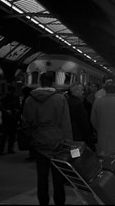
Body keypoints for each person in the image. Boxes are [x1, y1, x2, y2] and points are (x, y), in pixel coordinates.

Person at [22, 71, 73, 205]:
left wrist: (33, 136)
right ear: (52, 83)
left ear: (40, 82)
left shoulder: (30, 99)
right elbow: (66, 123)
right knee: (58, 178)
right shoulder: (60, 99)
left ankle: (43, 202)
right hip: (58, 142)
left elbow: (25, 122)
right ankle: (59, 202)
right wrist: (69, 143)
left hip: (39, 143)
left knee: (42, 177)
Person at [90, 81, 115, 156]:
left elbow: (93, 119)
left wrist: (99, 128)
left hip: (103, 137)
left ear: (104, 90)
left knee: (104, 159)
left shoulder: (97, 102)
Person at [66, 83, 96, 152]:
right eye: (82, 90)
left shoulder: (68, 101)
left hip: (71, 136)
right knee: (78, 156)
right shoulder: (78, 104)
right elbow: (83, 123)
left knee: (74, 155)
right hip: (78, 137)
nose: (83, 92)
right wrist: (89, 141)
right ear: (76, 91)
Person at [0, 84, 20, 154]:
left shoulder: (4, 97)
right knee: (11, 134)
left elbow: (1, 107)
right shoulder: (15, 97)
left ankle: (1, 150)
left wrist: (6, 111)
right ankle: (9, 149)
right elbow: (18, 106)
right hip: (12, 117)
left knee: (5, 134)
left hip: (7, 117)